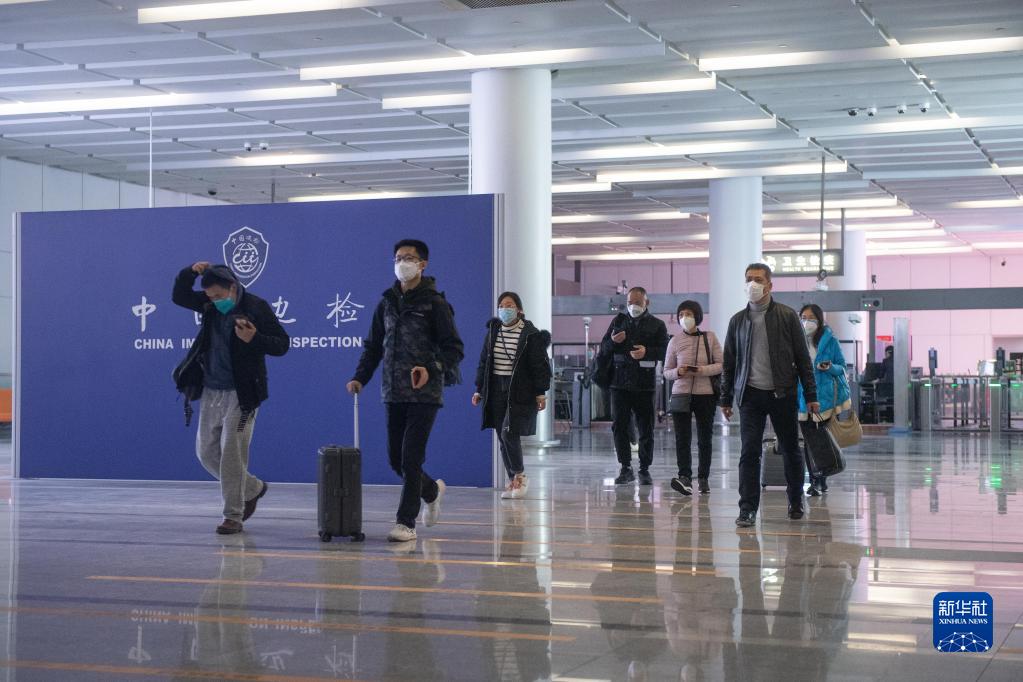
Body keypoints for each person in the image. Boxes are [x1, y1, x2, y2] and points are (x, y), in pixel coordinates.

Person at [347, 239, 464, 543]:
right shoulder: (386, 302)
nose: (402, 263)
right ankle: (431, 491)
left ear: (422, 264)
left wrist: (431, 368)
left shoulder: (435, 304)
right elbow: (373, 346)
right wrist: (360, 377)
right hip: (393, 391)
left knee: (411, 458)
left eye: (409, 258)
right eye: (398, 258)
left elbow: (454, 348)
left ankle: (405, 522)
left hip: (425, 393)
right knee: (395, 460)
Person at [172, 263, 289, 535]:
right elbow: (179, 296)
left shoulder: (256, 306)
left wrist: (254, 338)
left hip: (243, 394)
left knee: (232, 453)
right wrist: (190, 272)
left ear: (232, 287)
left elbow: (282, 344)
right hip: (212, 390)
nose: (214, 301)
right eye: (209, 297)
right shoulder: (209, 306)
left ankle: (233, 516)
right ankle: (253, 488)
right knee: (206, 453)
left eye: (218, 296)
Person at [720, 263, 818, 527]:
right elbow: (729, 363)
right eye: (749, 279)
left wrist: (811, 395)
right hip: (750, 395)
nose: (753, 284)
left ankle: (795, 501)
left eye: (758, 279)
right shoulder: (737, 321)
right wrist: (725, 398)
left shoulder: (787, 316)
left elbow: (803, 358)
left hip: (782, 393)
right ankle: (747, 508)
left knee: (790, 448)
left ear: (770, 285)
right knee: (749, 451)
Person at [472, 292, 552, 499]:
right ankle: (513, 480)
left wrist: (540, 393)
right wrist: (479, 389)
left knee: (510, 432)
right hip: (495, 388)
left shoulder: (530, 334)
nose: (504, 309)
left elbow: (539, 365)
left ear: (519, 309)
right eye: (501, 305)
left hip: (520, 389)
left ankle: (519, 476)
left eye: (509, 305)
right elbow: (484, 362)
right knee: (501, 435)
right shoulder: (493, 331)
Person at [599, 287, 669, 486]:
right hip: (619, 383)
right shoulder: (618, 322)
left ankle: (644, 469)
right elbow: (604, 349)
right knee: (619, 426)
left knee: (646, 427)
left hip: (644, 384)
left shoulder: (657, 325)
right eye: (630, 302)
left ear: (647, 303)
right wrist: (613, 342)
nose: (633, 306)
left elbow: (666, 351)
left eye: (637, 302)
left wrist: (647, 352)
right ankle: (625, 467)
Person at [664, 300, 722, 496]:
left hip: (706, 395)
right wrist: (678, 372)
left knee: (705, 438)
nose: (684, 318)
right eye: (681, 315)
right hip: (680, 394)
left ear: (697, 316)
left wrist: (701, 371)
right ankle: (684, 476)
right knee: (682, 438)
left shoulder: (710, 337)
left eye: (688, 314)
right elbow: (666, 371)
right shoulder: (674, 341)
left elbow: (721, 364)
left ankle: (703, 477)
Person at [797, 304, 852, 496]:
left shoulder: (829, 340)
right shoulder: (796, 340)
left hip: (824, 398)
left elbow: (842, 367)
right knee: (808, 440)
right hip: (801, 397)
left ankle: (820, 479)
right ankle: (815, 479)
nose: (807, 322)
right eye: (803, 317)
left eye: (811, 318)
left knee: (819, 438)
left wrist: (829, 367)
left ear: (819, 320)